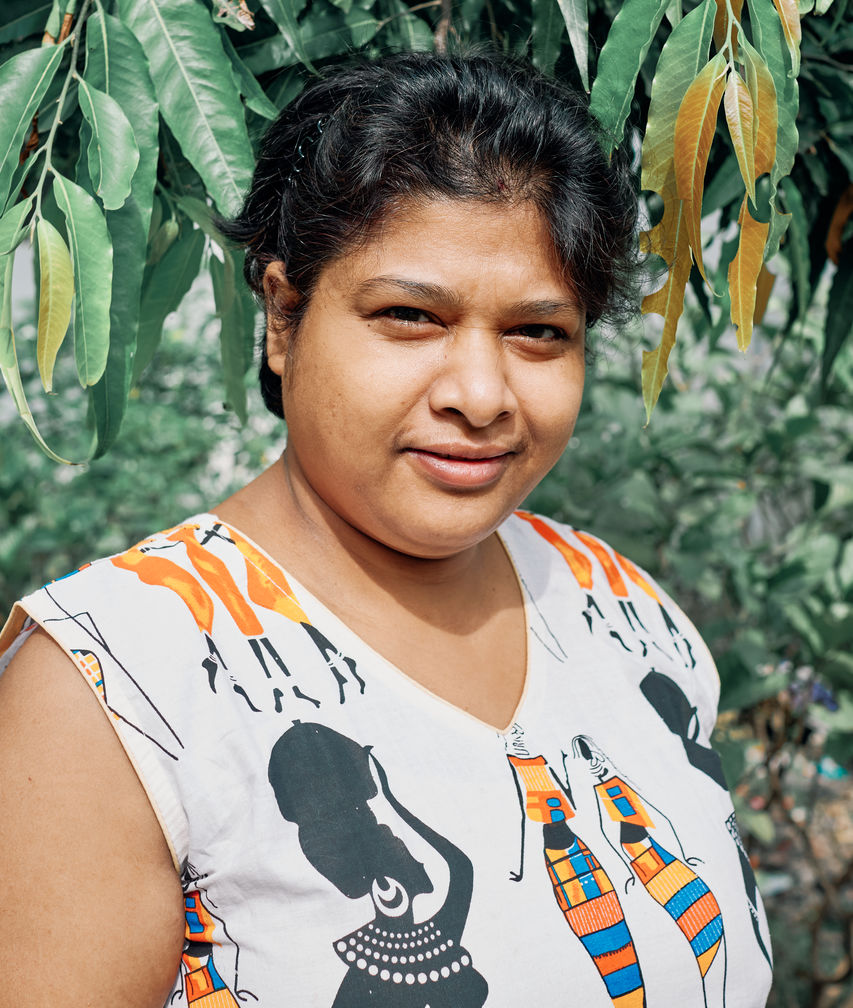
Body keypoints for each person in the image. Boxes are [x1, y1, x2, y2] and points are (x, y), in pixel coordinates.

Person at [0, 53, 772, 1007]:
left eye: (539, 333)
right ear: (284, 315)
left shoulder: (624, 613)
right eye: (409, 316)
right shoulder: (117, 690)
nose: (481, 396)